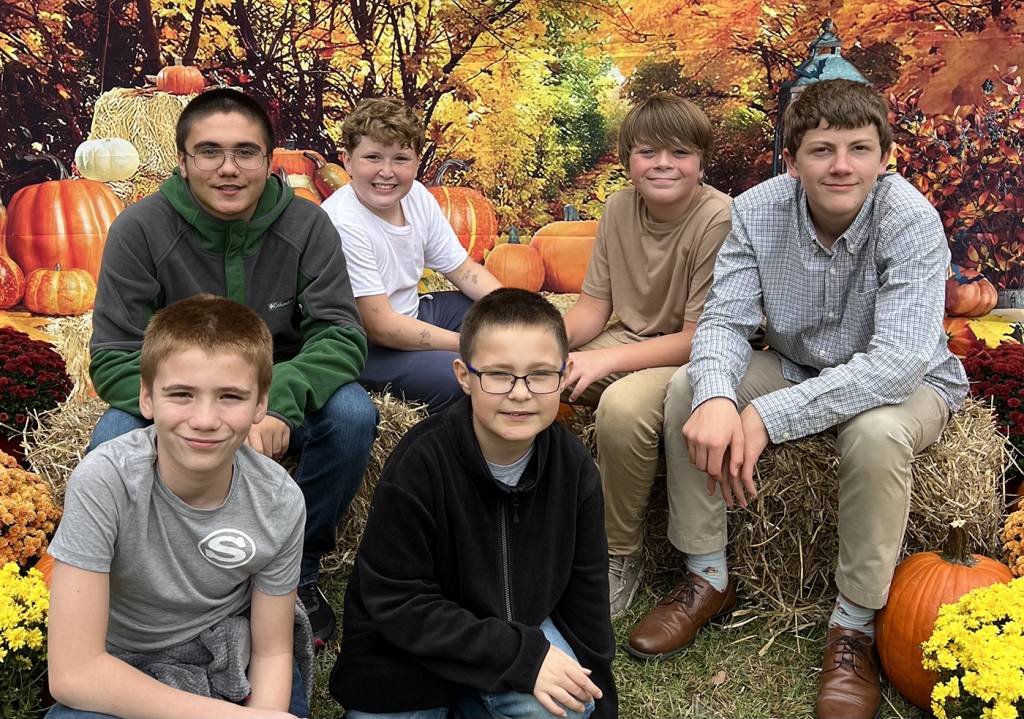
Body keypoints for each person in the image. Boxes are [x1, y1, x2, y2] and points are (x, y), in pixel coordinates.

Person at [626, 79, 968, 719]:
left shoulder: (911, 221)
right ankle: (706, 574)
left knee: (874, 435)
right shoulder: (757, 211)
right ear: (791, 159)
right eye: (822, 150)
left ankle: (855, 624)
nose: (842, 166)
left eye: (860, 149)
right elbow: (725, 322)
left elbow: (896, 364)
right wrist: (723, 398)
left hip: (907, 383)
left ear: (885, 156)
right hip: (794, 362)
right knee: (688, 392)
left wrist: (766, 414)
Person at [87, 88, 377, 647]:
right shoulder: (140, 229)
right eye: (209, 152)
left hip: (276, 388)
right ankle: (139, 582)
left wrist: (274, 405)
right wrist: (193, 407)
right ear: (182, 160)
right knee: (113, 434)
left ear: (270, 161)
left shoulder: (308, 226)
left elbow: (342, 333)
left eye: (245, 152)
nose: (228, 168)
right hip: (181, 396)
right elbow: (116, 355)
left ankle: (301, 568)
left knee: (352, 414)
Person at [331, 288, 618, 718]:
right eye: (499, 375)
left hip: (514, 626)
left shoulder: (574, 468)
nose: (520, 393)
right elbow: (396, 601)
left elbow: (587, 596)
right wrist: (516, 656)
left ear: (565, 374)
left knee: (568, 708)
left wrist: (598, 703)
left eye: (540, 374)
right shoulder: (421, 462)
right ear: (463, 375)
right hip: (407, 654)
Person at [47, 295, 310, 719]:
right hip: (121, 662)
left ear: (261, 403)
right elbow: (74, 673)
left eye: (230, 396)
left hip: (226, 649)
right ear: (147, 398)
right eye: (182, 394)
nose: (205, 419)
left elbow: (272, 652)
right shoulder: (106, 481)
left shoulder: (278, 500)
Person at [561, 92, 731, 618]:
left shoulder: (718, 219)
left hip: (691, 354)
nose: (662, 164)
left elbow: (699, 336)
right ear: (628, 160)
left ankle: (619, 553)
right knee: (536, 379)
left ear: (701, 161)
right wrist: (538, 348)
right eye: (647, 152)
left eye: (679, 152)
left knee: (623, 408)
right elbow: (593, 308)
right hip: (630, 337)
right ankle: (536, 521)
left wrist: (604, 363)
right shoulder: (616, 207)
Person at [320, 97, 503, 412]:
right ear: (347, 161)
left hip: (412, 313)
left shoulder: (417, 197)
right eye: (372, 157)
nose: (387, 172)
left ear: (418, 161)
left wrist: (521, 314)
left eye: (401, 159)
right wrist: (474, 345)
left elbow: (464, 271)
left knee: (495, 315)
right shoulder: (342, 221)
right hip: (363, 346)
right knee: (462, 377)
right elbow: (381, 326)